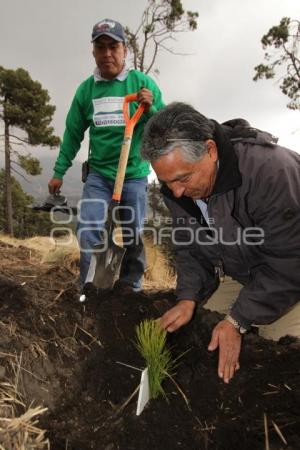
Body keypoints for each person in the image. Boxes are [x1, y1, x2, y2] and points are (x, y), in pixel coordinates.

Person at [141, 102, 300, 384]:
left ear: (210, 150)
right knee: (205, 328)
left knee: (280, 353)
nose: (176, 193)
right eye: (167, 183)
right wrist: (187, 296)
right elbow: (189, 247)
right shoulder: (177, 186)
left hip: (290, 275)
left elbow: (289, 264)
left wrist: (238, 320)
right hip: (246, 270)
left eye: (183, 179)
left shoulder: (272, 174)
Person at [48, 18, 164, 295]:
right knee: (89, 230)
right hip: (99, 176)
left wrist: (151, 107)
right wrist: (59, 171)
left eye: (113, 47)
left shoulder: (142, 83)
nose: (107, 53)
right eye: (101, 47)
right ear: (94, 52)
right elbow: (73, 133)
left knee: (132, 233)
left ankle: (131, 288)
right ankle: (90, 288)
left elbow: (163, 126)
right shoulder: (86, 90)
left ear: (125, 50)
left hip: (134, 174)